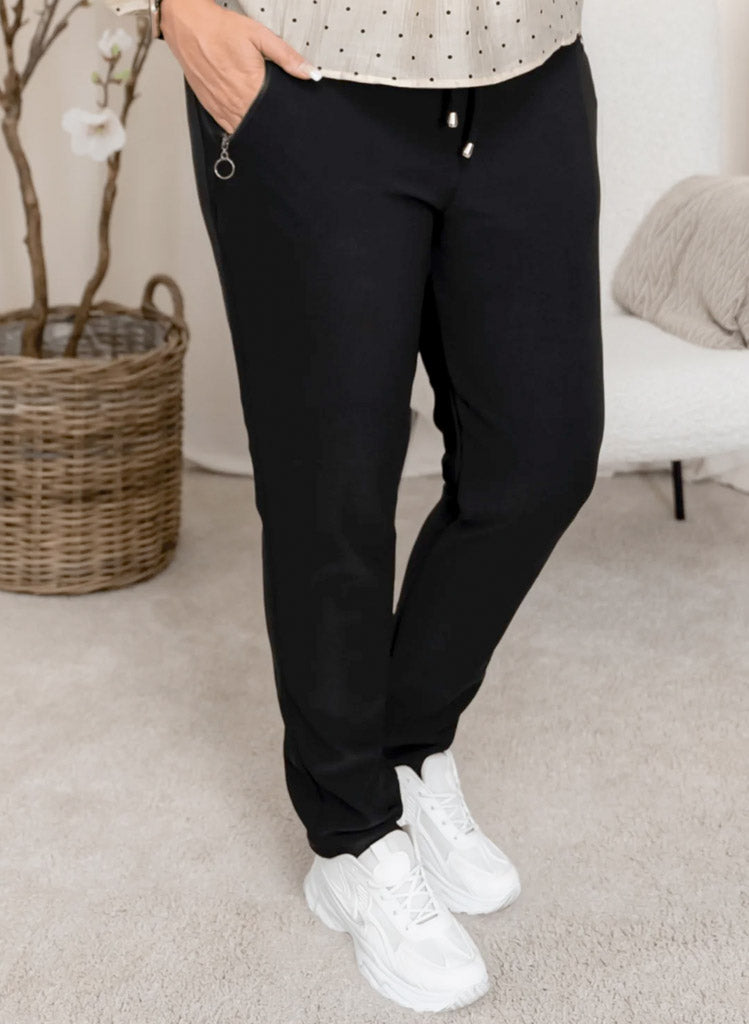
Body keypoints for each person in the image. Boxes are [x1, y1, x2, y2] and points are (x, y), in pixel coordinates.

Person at [164, 0, 604, 1011]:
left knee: (539, 459)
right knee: (333, 491)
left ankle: (402, 746)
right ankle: (352, 835)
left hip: (527, 69)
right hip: (310, 81)